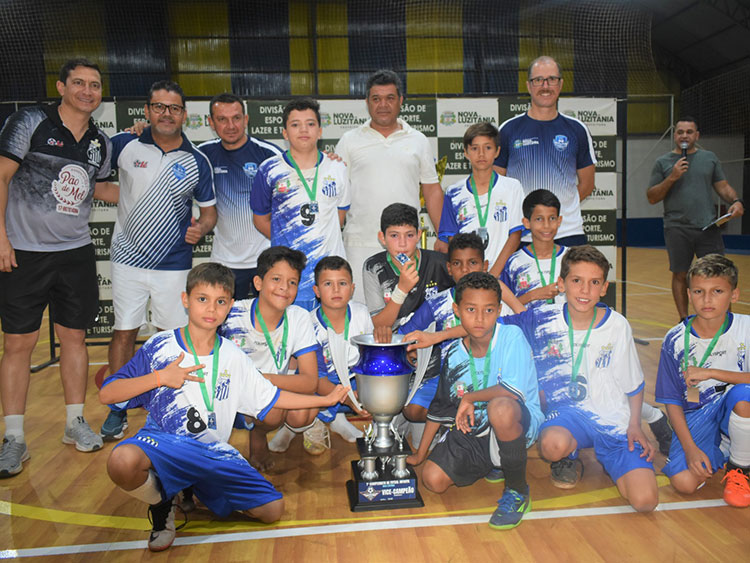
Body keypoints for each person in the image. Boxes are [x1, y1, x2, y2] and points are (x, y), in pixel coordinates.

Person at [100, 262, 348, 551]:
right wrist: (159, 378)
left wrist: (325, 400)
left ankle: (196, 486)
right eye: (202, 299)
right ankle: (162, 502)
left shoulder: (233, 355)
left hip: (211, 452)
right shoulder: (160, 346)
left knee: (272, 511)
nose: (211, 309)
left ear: (230, 306)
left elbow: (273, 397)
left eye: (220, 302)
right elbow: (108, 394)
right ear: (185, 300)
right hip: (165, 444)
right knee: (122, 461)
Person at [0, 58, 118, 476]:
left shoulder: (99, 141)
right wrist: (1, 238)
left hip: (76, 252)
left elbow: (100, 187)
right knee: (18, 344)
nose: (88, 91)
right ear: (62, 86)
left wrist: (155, 192)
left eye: (95, 85)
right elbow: (1, 176)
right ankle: (14, 438)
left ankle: (74, 422)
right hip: (24, 252)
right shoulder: (31, 120)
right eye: (79, 83)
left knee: (75, 338)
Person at [100, 80, 217, 442]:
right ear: (148, 111)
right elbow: (95, 183)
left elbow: (209, 214)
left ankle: (170, 405)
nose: (167, 113)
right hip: (126, 260)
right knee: (125, 332)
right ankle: (117, 410)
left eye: (174, 108)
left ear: (184, 114)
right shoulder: (123, 144)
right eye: (159, 106)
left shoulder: (197, 161)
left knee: (171, 339)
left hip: (174, 265)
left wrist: (201, 229)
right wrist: (127, 203)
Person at [504, 246, 659, 512]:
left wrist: (635, 425)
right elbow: (488, 326)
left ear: (604, 287)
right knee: (552, 445)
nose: (585, 290)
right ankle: (570, 455)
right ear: (562, 284)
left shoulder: (618, 325)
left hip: (613, 421)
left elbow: (634, 384)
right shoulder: (544, 319)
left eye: (594, 282)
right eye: (577, 281)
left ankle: (613, 457)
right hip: (567, 416)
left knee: (645, 502)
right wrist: (437, 336)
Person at [407, 272, 542, 530]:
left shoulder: (511, 337)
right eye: (471, 309)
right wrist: (420, 454)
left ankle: (517, 491)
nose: (480, 318)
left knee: (499, 408)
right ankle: (497, 462)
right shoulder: (456, 353)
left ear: (499, 310)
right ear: (457, 310)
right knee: (432, 480)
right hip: (476, 430)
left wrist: (470, 397)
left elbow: (510, 392)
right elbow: (439, 408)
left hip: (517, 421)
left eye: (489, 310)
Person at [335, 69, 445, 302]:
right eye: (376, 99)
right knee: (363, 316)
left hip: (405, 247)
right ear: (367, 102)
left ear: (401, 101)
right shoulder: (349, 141)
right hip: (359, 244)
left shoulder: (418, 140)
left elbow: (432, 191)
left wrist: (443, 235)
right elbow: (336, 195)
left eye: (390, 98)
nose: (383, 105)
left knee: (406, 313)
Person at [655, 254, 750, 507]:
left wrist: (711, 373)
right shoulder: (675, 339)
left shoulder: (746, 328)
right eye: (699, 291)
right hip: (698, 417)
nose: (707, 300)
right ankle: (728, 448)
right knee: (684, 483)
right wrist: (690, 449)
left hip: (737, 408)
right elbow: (672, 401)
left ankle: (740, 469)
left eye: (717, 291)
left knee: (744, 395)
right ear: (688, 294)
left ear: (734, 295)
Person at [219, 246, 321, 469]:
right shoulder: (231, 314)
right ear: (258, 283)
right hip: (231, 395)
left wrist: (259, 379)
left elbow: (310, 381)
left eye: (292, 282)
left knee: (304, 412)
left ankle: (259, 433)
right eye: (276, 279)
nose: (284, 288)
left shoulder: (299, 317)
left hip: (270, 389)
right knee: (272, 408)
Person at [251, 97, 350, 311]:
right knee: (291, 339)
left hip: (329, 278)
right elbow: (260, 219)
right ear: (285, 133)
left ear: (320, 131)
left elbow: (339, 217)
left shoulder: (337, 167)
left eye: (310, 124)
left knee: (329, 339)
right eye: (295, 124)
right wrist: (286, 243)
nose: (303, 130)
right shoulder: (269, 169)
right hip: (289, 280)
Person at [646, 117, 745, 322]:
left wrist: (735, 201)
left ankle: (724, 319)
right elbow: (652, 197)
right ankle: (684, 319)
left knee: (719, 273)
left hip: (707, 227)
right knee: (680, 274)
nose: (684, 135)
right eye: (680, 132)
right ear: (675, 135)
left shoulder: (709, 158)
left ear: (696, 135)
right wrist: (672, 176)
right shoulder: (663, 162)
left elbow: (723, 187)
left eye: (689, 132)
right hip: (676, 227)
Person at [494, 55, 596, 247]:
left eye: (552, 79)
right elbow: (497, 184)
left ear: (561, 84)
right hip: (521, 233)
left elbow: (587, 184)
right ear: (528, 85)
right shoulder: (508, 130)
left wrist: (555, 210)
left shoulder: (577, 129)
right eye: (538, 80)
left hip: (568, 231)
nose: (545, 85)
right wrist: (532, 215)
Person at [395, 233, 489, 435]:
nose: (465, 270)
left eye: (472, 262)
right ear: (448, 269)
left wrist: (439, 336)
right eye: (457, 263)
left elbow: (489, 328)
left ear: (484, 266)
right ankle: (455, 421)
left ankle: (466, 423)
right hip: (447, 377)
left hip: (487, 375)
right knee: (412, 410)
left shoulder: (494, 299)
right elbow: (404, 334)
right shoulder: (437, 303)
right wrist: (409, 350)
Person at [199, 92, 283, 300]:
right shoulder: (202, 156)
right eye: (222, 119)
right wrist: (141, 133)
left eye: (236, 118)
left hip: (265, 260)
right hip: (223, 261)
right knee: (222, 323)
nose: (231, 126)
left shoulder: (269, 154)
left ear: (246, 120)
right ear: (211, 122)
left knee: (266, 323)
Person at [438, 122, 524, 278]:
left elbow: (516, 234)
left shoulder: (512, 187)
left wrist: (493, 273)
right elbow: (453, 240)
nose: (481, 154)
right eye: (475, 148)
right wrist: (468, 273)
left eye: (488, 148)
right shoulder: (454, 192)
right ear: (465, 152)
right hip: (468, 275)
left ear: (497, 151)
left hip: (502, 274)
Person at [310, 256, 373, 443]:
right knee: (307, 393)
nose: (336, 290)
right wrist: (346, 398)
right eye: (328, 284)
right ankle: (310, 424)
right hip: (324, 381)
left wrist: (365, 389)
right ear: (317, 291)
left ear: (352, 289)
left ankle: (342, 420)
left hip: (354, 378)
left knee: (379, 386)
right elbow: (316, 378)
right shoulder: (309, 324)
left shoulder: (361, 313)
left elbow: (368, 357)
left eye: (342, 283)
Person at [501, 189, 567, 308]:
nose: (546, 226)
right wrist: (533, 295)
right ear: (526, 223)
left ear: (559, 221)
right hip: (526, 326)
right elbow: (503, 308)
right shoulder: (514, 263)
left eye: (552, 218)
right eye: (539, 219)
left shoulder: (572, 258)